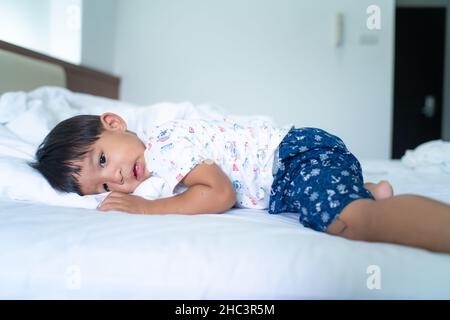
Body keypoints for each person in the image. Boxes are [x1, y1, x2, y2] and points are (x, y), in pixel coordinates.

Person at [31, 113, 450, 253]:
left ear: (115, 123)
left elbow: (219, 192)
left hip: (294, 159)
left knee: (345, 221)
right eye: (103, 186)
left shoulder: (163, 148)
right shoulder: (156, 166)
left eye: (103, 159)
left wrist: (146, 209)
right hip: (294, 170)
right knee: (311, 201)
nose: (117, 179)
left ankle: (372, 206)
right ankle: (370, 187)